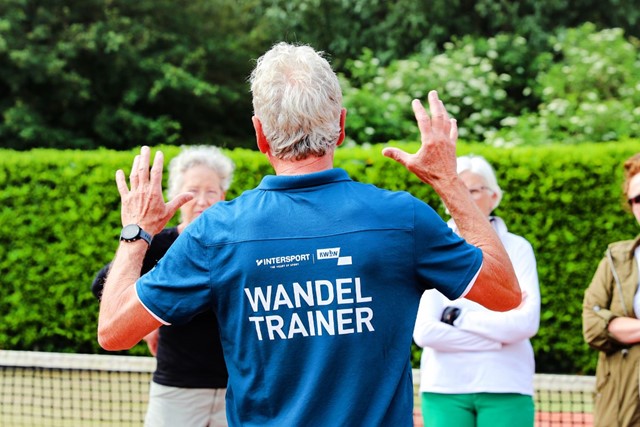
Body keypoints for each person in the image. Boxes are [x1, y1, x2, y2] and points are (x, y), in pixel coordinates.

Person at [96, 42, 521, 426]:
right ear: (340, 125)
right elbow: (504, 292)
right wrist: (449, 182)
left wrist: (136, 231)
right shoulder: (402, 218)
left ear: (260, 134)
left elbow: (114, 330)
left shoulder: (218, 231)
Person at [92, 145, 234, 427]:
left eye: (211, 192)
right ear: (177, 196)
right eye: (193, 191)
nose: (202, 201)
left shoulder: (235, 244)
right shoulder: (156, 243)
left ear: (223, 196)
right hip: (176, 386)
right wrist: (147, 326)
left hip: (235, 387)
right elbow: (102, 285)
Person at [413, 155, 540, 427]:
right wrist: (498, 339)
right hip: (442, 389)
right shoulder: (434, 248)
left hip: (508, 384)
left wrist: (457, 317)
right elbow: (425, 331)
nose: (465, 197)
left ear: (494, 196)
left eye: (473, 190)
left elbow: (525, 324)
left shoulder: (519, 248)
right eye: (457, 189)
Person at [583, 153, 640, 427]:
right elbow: (592, 326)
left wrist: (621, 326)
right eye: (637, 199)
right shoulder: (615, 258)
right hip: (619, 411)